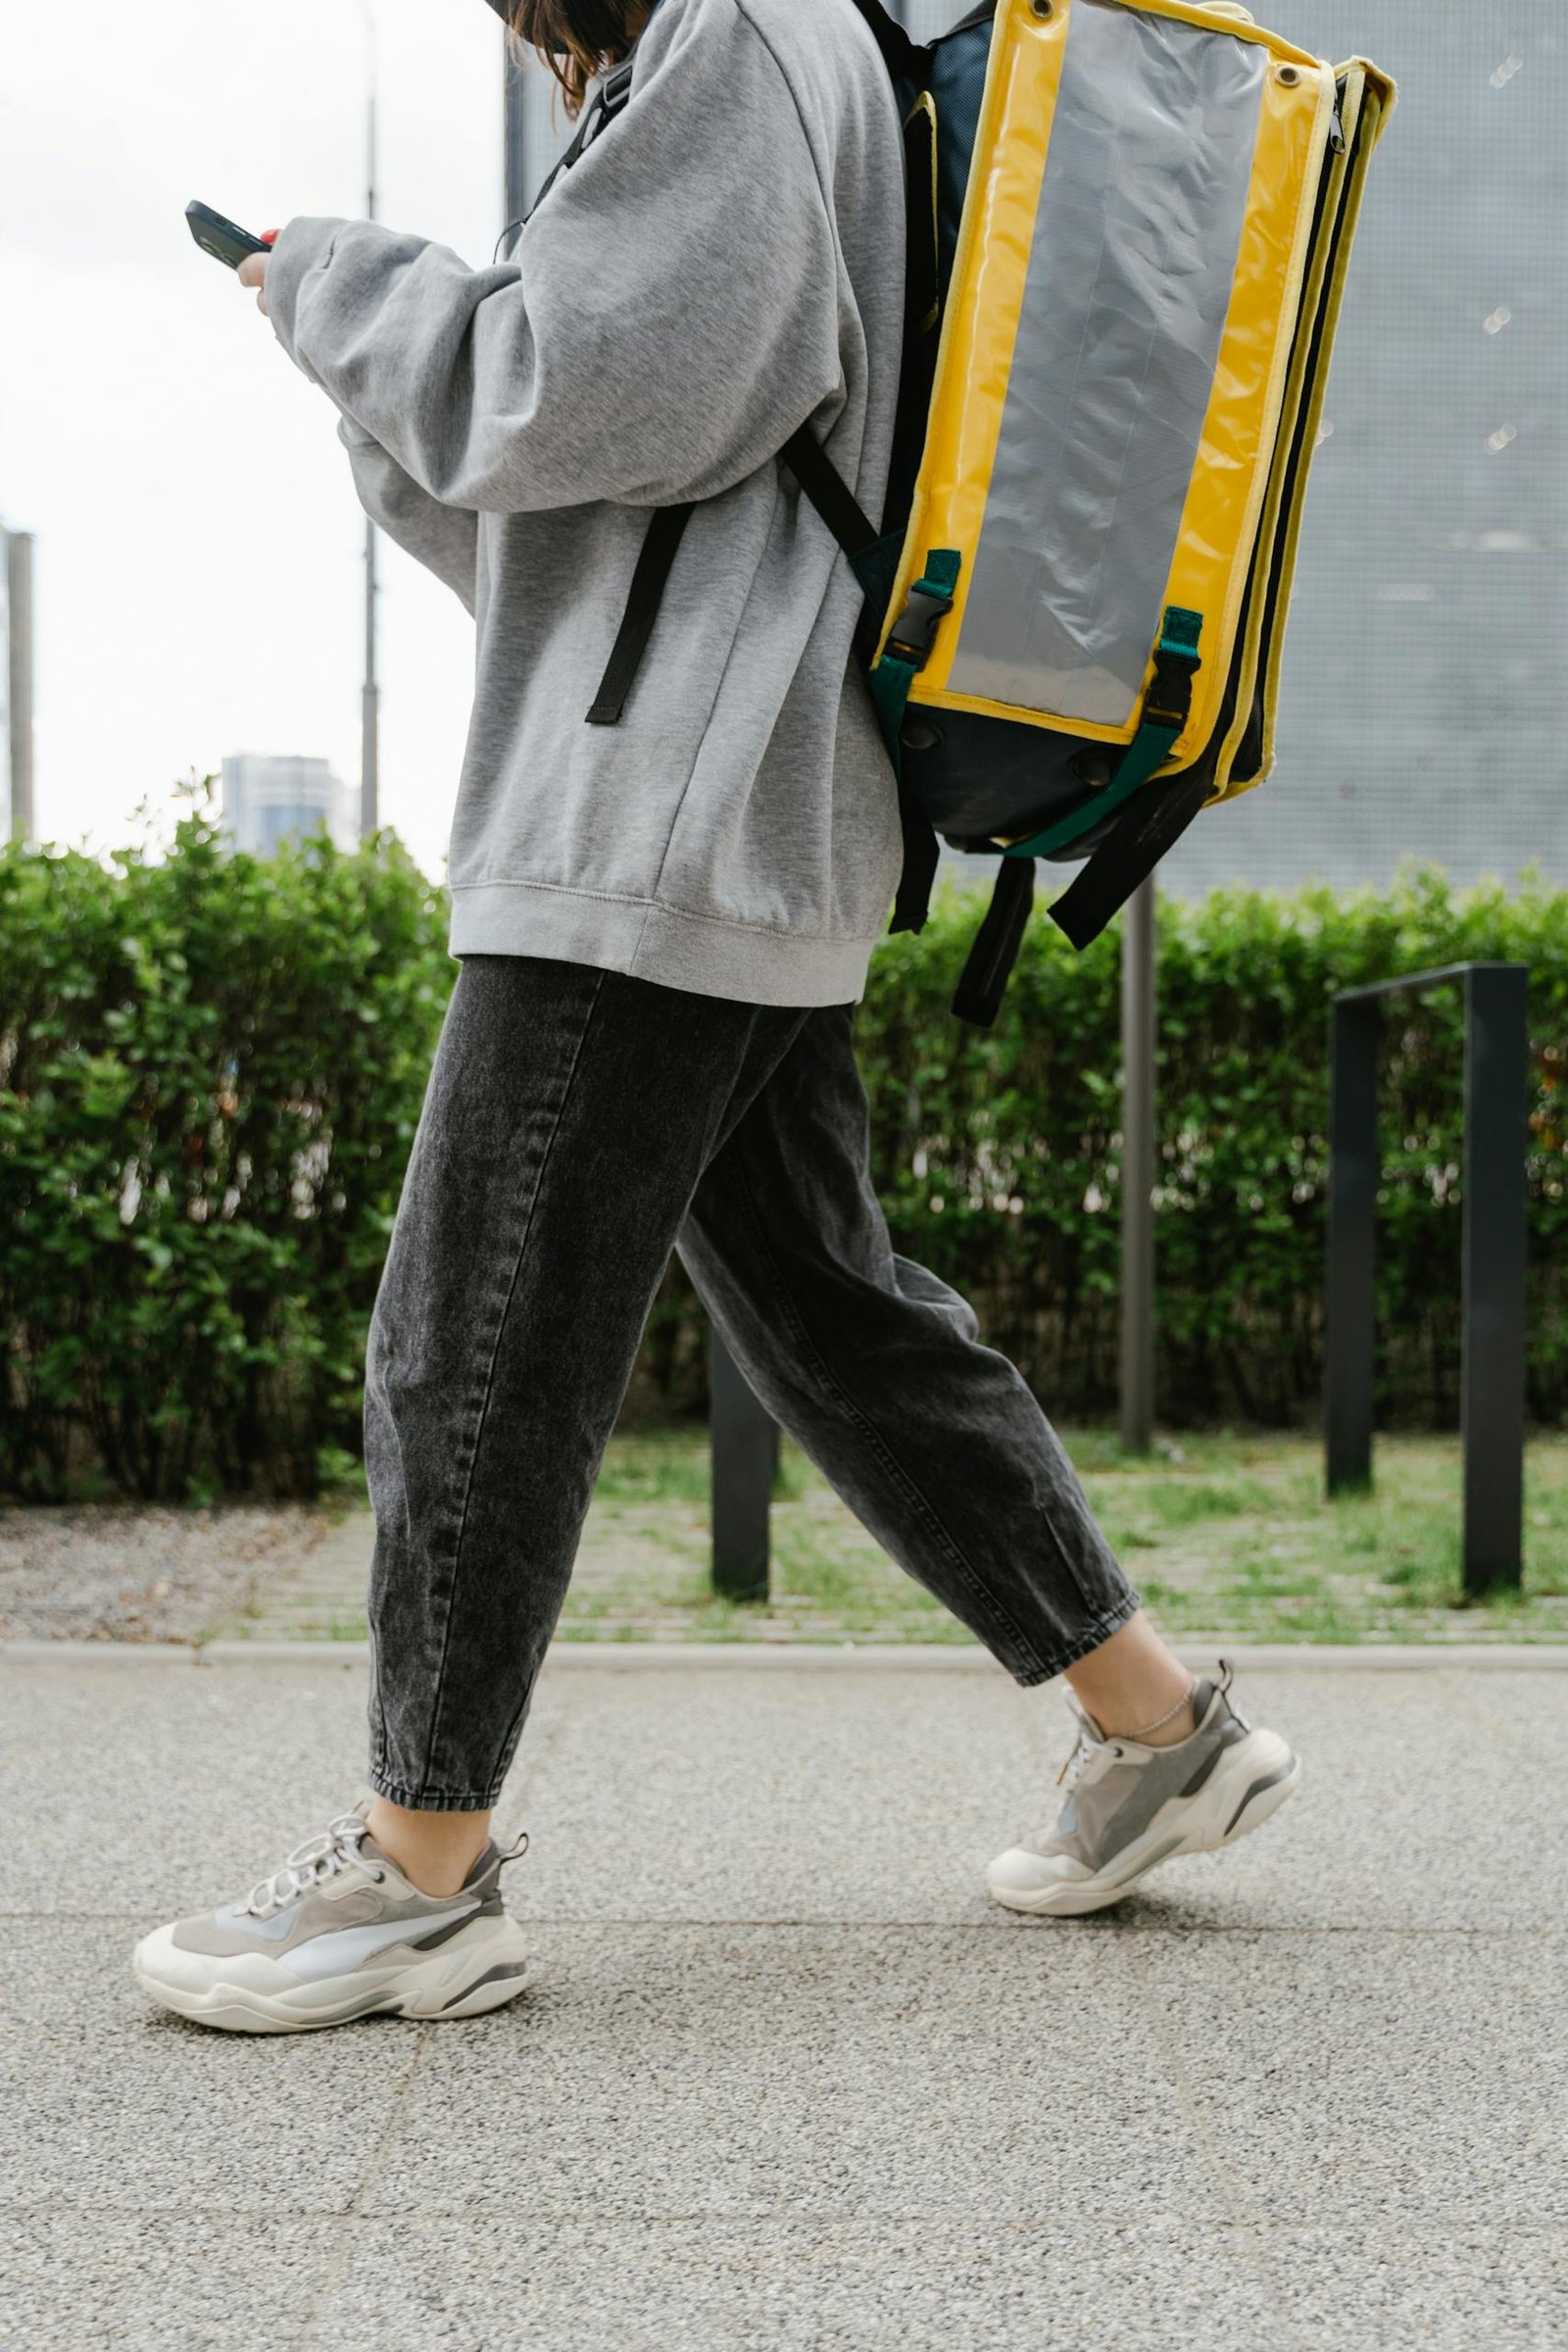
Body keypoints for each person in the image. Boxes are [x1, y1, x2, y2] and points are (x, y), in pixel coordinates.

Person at [133, 0, 1298, 2035]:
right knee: (827, 1309)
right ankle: (1153, 1725)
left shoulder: (741, 35)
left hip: (656, 821)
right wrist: (386, 369)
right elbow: (543, 495)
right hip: (736, 800)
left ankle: (421, 1870)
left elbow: (564, 387)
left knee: (473, 1336)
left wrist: (330, 279)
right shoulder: (773, 49)